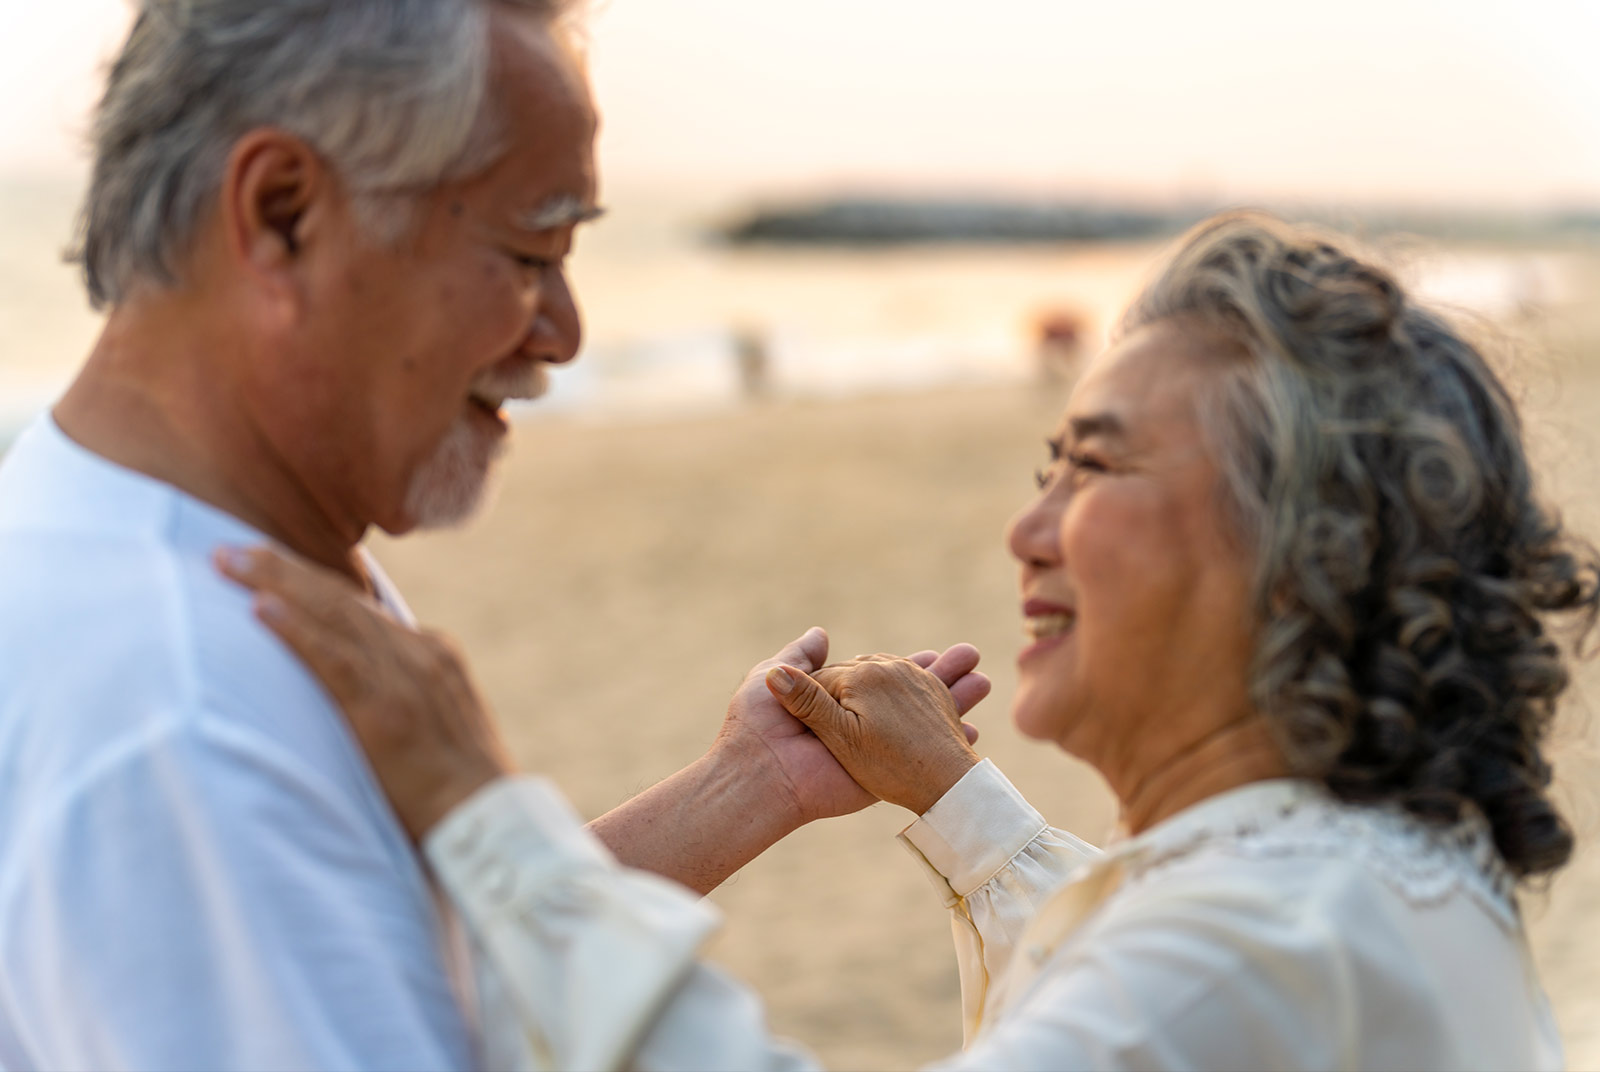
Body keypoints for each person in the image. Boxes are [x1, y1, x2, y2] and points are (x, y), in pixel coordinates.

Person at [225, 211, 1600, 1070]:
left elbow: (1162, 998)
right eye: (1043, 465)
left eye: (1095, 472)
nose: (1029, 529)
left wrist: (487, 817)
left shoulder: (1272, 945)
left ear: (1303, 555)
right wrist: (940, 806)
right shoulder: (1371, 879)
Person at [0, 2, 990, 1068]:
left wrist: (744, 787)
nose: (563, 334)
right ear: (283, 212)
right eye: (530, 251)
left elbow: (429, 974)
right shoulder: (191, 711)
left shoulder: (170, 544)